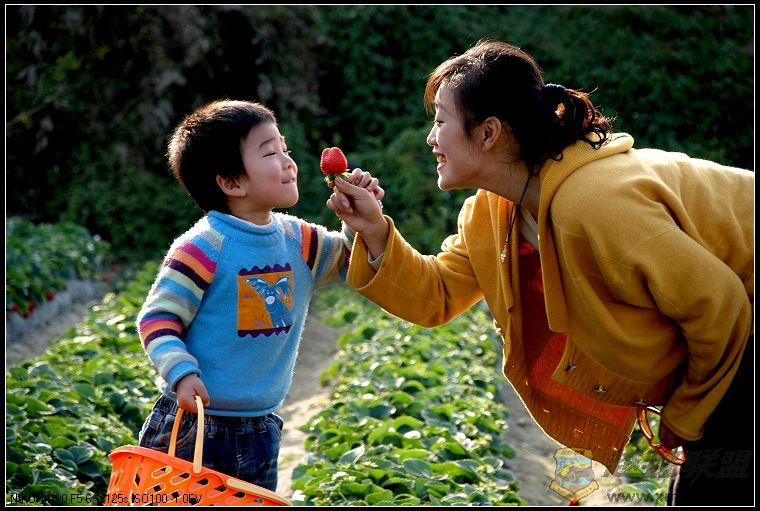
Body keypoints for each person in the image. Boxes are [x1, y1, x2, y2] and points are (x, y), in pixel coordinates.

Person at [327, 40, 753, 506]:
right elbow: (437, 294)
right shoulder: (494, 212)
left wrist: (688, 414)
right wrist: (373, 230)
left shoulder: (595, 200)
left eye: (441, 121)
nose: (431, 138)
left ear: (488, 132)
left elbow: (720, 307)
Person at [136, 99, 383, 492]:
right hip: (195, 423)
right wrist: (181, 373)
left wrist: (360, 220)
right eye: (270, 153)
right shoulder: (203, 248)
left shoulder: (299, 240)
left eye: (285, 148)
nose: (288, 162)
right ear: (231, 183)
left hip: (261, 427)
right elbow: (157, 319)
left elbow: (351, 263)